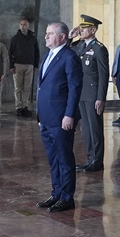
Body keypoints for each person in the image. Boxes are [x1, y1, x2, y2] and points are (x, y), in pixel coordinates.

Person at [35, 21, 83, 213]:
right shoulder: (48, 55)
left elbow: (74, 88)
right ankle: (56, 193)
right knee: (53, 159)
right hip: (46, 117)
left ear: (62, 37)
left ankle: (67, 197)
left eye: (50, 33)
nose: (45, 36)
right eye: (46, 33)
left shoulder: (69, 57)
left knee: (64, 158)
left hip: (61, 118)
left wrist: (69, 115)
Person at [72, 15, 109, 171]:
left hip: (93, 95)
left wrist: (101, 98)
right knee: (86, 129)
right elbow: (65, 51)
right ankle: (89, 158)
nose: (81, 30)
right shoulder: (79, 46)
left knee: (94, 129)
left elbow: (103, 75)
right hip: (81, 93)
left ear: (93, 30)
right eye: (81, 27)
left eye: (84, 28)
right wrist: (69, 38)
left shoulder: (99, 49)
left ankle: (97, 161)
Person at [8, 18, 41, 118]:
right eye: (21, 24)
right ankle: (18, 107)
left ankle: (25, 106)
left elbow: (37, 52)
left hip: (29, 65)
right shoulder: (15, 38)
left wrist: (35, 65)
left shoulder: (33, 39)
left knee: (27, 88)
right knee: (18, 88)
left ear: (28, 26)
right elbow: (9, 53)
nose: (23, 26)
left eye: (25, 25)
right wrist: (11, 66)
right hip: (17, 65)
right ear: (19, 26)